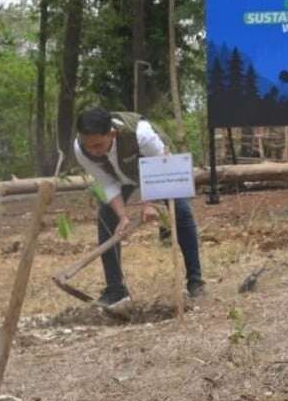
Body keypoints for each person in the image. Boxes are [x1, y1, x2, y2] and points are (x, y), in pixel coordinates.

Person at [72, 108, 205, 309]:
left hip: (159, 166)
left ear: (112, 134)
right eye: (89, 146)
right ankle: (116, 289)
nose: (93, 151)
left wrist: (150, 203)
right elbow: (106, 183)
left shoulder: (142, 135)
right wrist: (123, 216)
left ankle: (195, 281)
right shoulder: (81, 148)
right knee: (106, 220)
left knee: (182, 213)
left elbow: (160, 167)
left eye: (98, 145)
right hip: (119, 176)